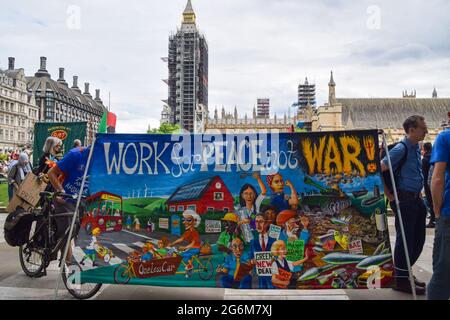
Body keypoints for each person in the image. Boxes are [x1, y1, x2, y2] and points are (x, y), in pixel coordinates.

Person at [380, 115, 428, 295]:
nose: (425, 131)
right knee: (405, 241)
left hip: (416, 199)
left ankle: (404, 272)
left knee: (418, 240)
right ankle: (400, 279)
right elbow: (378, 169)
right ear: (412, 130)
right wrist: (390, 197)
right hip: (404, 200)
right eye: (423, 128)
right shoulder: (401, 149)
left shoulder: (416, 148)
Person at [47, 145, 91, 264]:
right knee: (66, 232)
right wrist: (61, 192)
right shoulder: (75, 155)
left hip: (82, 200)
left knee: (84, 233)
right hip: (65, 199)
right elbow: (51, 173)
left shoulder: (100, 161)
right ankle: (69, 264)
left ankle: (77, 262)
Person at [428, 128, 450, 300]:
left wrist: (437, 212)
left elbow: (436, 180)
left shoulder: (445, 137)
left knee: (443, 273)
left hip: (448, 214)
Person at [236, 172, 267, 243]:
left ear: (254, 194)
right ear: (242, 195)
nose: (249, 196)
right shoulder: (240, 210)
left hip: (257, 236)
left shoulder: (257, 205)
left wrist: (258, 179)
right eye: (246, 193)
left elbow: (264, 191)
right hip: (245, 238)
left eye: (251, 193)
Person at [250, 212, 276, 289]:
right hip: (258, 275)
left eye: (261, 222)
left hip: (272, 273)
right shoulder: (253, 241)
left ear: (266, 223)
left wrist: (274, 259)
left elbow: (279, 254)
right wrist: (252, 261)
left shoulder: (274, 240)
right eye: (256, 222)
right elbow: (250, 257)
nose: (258, 225)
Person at [422, 142, 435, 228]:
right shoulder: (434, 157)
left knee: (430, 202)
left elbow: (423, 174)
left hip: (428, 183)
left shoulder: (424, 159)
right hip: (434, 182)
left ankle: (432, 220)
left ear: (424, 149)